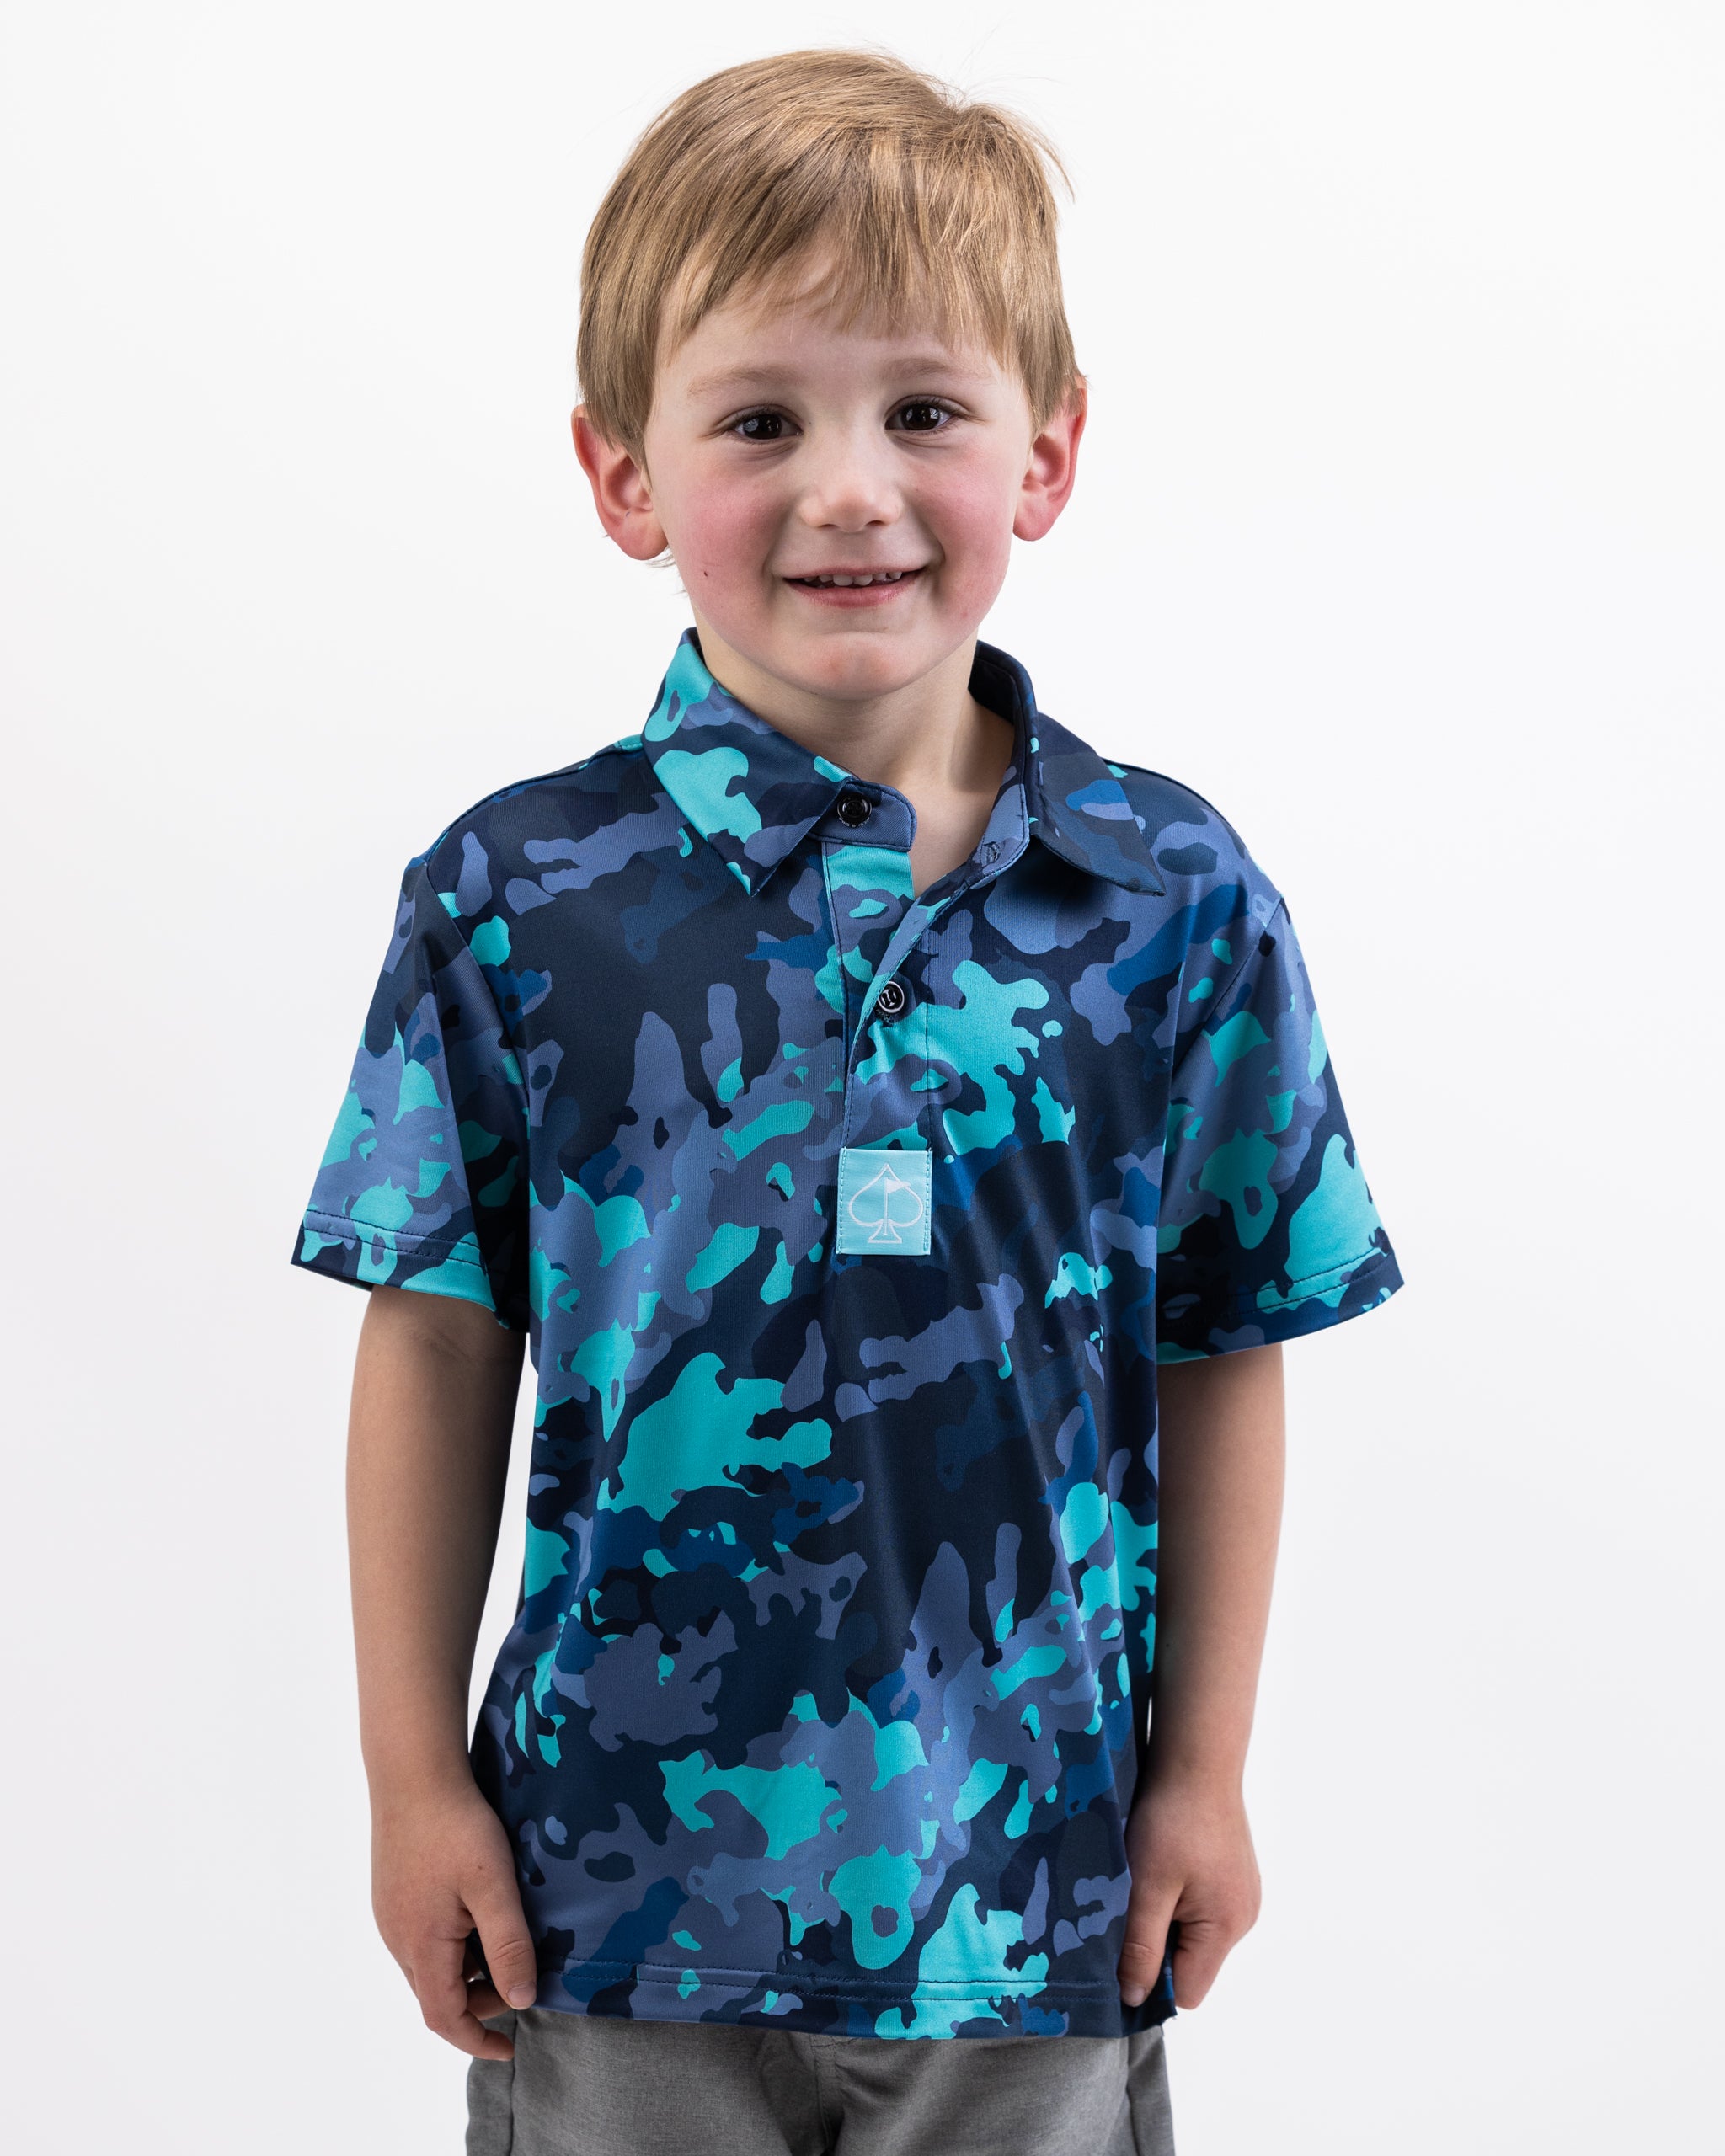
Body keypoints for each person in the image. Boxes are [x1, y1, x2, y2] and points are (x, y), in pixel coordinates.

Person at [291, 47, 1402, 2156]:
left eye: (921, 410)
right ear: (623, 477)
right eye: (756, 419)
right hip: (608, 1901)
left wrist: (1202, 1771)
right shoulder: (519, 895)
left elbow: (1228, 1342)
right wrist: (411, 1780)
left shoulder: (1169, 898)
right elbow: (434, 1338)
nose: (847, 487)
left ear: (1044, 454)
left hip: (1033, 1893)